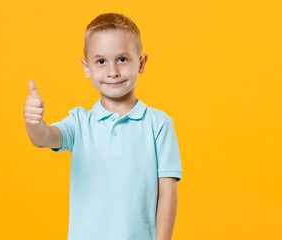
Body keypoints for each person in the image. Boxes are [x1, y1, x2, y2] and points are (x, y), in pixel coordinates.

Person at [24, 12, 182, 240]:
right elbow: (44, 138)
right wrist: (33, 122)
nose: (112, 71)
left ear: (141, 62)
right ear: (86, 68)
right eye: (101, 61)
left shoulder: (159, 125)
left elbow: (167, 194)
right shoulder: (79, 122)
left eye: (122, 59)